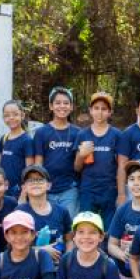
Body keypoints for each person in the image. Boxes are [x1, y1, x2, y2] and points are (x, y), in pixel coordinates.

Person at [74, 91, 121, 227]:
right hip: (88, 188)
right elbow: (77, 168)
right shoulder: (82, 134)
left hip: (109, 188)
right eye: (96, 108)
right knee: (87, 225)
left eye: (104, 109)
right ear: (90, 110)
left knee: (108, 227)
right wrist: (81, 155)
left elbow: (120, 164)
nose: (99, 112)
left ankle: (106, 248)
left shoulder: (116, 135)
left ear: (110, 112)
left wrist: (120, 191)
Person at [33, 87, 81, 218]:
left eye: (66, 103)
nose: (62, 106)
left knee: (69, 227)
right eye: (58, 103)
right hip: (47, 189)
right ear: (51, 106)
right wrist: (38, 187)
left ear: (71, 107)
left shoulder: (78, 133)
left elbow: (79, 165)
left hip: (70, 189)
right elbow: (38, 162)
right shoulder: (41, 132)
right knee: (48, 227)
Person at [107, 160, 140, 279]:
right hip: (126, 271)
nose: (136, 183)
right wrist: (124, 254)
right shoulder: (122, 210)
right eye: (132, 179)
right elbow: (111, 245)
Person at [17, 164, 73, 266]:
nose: (35, 183)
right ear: (24, 187)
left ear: (48, 185)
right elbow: (14, 247)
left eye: (39, 180)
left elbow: (69, 240)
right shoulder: (20, 212)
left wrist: (67, 259)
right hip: (29, 267)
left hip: (57, 267)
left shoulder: (62, 211)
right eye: (30, 180)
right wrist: (41, 250)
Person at [0, 99, 35, 200]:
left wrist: (24, 192)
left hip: (19, 191)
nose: (11, 118)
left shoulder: (27, 140)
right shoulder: (3, 139)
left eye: (15, 114)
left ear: (22, 115)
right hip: (4, 190)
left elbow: (29, 170)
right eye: (7, 115)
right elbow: (0, 165)